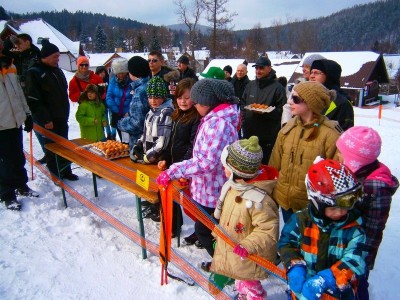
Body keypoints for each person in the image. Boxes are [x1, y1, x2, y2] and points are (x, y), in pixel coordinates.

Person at [156, 78, 240, 263]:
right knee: (210, 230)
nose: (194, 106)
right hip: (209, 186)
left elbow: (207, 161)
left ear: (208, 103)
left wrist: (175, 171)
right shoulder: (213, 119)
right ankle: (224, 263)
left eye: (198, 103)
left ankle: (226, 266)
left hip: (214, 190)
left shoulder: (218, 123)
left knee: (207, 232)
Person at [278, 158, 367, 300]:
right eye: (333, 208)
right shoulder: (301, 220)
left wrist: (329, 278)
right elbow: (286, 243)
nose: (340, 212)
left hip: (337, 294)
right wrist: (294, 264)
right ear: (317, 203)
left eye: (345, 207)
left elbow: (355, 260)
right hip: (303, 292)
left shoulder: (354, 229)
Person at [211, 136, 279, 300]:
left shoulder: (259, 200)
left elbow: (268, 230)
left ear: (237, 171)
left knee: (250, 285)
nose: (223, 170)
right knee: (240, 280)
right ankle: (242, 294)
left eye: (226, 167)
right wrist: (216, 233)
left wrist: (248, 245)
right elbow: (226, 215)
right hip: (234, 249)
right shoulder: (232, 187)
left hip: (249, 255)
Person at [336, 126, 399, 299]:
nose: (338, 156)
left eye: (341, 153)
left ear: (355, 159)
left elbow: (373, 230)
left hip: (358, 255)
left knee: (357, 288)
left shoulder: (376, 188)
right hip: (342, 249)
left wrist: (361, 262)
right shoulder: (358, 173)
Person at [269, 81, 342, 223]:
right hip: (286, 201)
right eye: (291, 96)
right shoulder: (288, 128)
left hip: (312, 207)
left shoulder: (330, 135)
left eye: (295, 99)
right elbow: (274, 165)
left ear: (311, 103)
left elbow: (336, 178)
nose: (290, 101)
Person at [25, 40, 79, 181]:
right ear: (46, 56)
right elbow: (33, 100)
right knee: (52, 148)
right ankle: (56, 174)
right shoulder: (34, 73)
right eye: (55, 56)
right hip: (48, 120)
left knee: (64, 146)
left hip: (61, 117)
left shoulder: (56, 70)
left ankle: (66, 170)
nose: (58, 59)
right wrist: (45, 119)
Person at [157, 78, 200, 236]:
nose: (182, 101)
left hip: (185, 168)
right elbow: (170, 141)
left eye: (187, 97)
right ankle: (174, 226)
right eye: (180, 97)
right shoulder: (176, 115)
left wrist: (182, 167)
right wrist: (165, 158)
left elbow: (192, 146)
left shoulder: (196, 118)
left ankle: (201, 232)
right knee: (172, 197)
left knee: (192, 203)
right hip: (174, 166)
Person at [0, 56, 38, 211]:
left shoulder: (11, 67)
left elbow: (19, 93)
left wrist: (27, 114)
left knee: (17, 156)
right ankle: (7, 194)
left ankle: (21, 185)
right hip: (1, 125)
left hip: (15, 122)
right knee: (4, 162)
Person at [2, 33, 45, 162]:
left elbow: (27, 74)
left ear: (27, 42)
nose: (17, 46)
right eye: (16, 44)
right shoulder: (18, 56)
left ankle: (49, 152)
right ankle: (46, 151)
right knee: (36, 126)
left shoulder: (34, 54)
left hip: (35, 94)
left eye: (19, 43)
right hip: (21, 93)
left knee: (42, 124)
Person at [241, 56, 287, 163]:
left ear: (269, 69)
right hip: (249, 133)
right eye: (256, 68)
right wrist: (243, 120)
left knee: (264, 166)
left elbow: (283, 111)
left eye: (261, 68)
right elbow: (243, 104)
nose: (258, 71)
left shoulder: (277, 88)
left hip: (267, 136)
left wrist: (267, 112)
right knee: (248, 164)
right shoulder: (250, 85)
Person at [131, 76, 174, 165]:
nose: (153, 101)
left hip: (159, 160)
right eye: (150, 97)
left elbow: (162, 142)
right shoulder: (151, 112)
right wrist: (138, 144)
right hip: (148, 157)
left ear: (164, 97)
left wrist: (148, 157)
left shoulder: (166, 113)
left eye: (157, 97)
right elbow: (145, 133)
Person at [281, 54, 325, 127]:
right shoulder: (298, 84)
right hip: (296, 127)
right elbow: (288, 106)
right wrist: (286, 124)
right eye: (303, 66)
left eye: (307, 67)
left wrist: (315, 126)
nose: (303, 69)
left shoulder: (322, 90)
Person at [310, 59, 354, 131]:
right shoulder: (307, 96)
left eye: (316, 73)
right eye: (311, 72)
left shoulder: (342, 103)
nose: (312, 76)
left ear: (329, 76)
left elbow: (345, 132)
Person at [118, 56, 151, 150]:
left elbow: (136, 124)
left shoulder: (139, 92)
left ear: (133, 72)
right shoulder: (149, 84)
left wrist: (121, 123)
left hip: (140, 143)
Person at [106, 58, 133, 141]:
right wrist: (115, 109)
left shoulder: (131, 82)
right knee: (122, 137)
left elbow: (133, 98)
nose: (120, 75)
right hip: (116, 114)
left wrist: (129, 112)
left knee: (129, 137)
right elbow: (109, 96)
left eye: (123, 72)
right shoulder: (113, 81)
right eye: (118, 73)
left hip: (128, 115)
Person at [95, 66, 112, 139]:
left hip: (109, 102)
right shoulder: (96, 82)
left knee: (111, 118)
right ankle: (107, 133)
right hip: (101, 103)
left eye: (104, 72)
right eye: (100, 72)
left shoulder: (108, 80)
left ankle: (111, 134)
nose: (102, 74)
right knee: (104, 119)